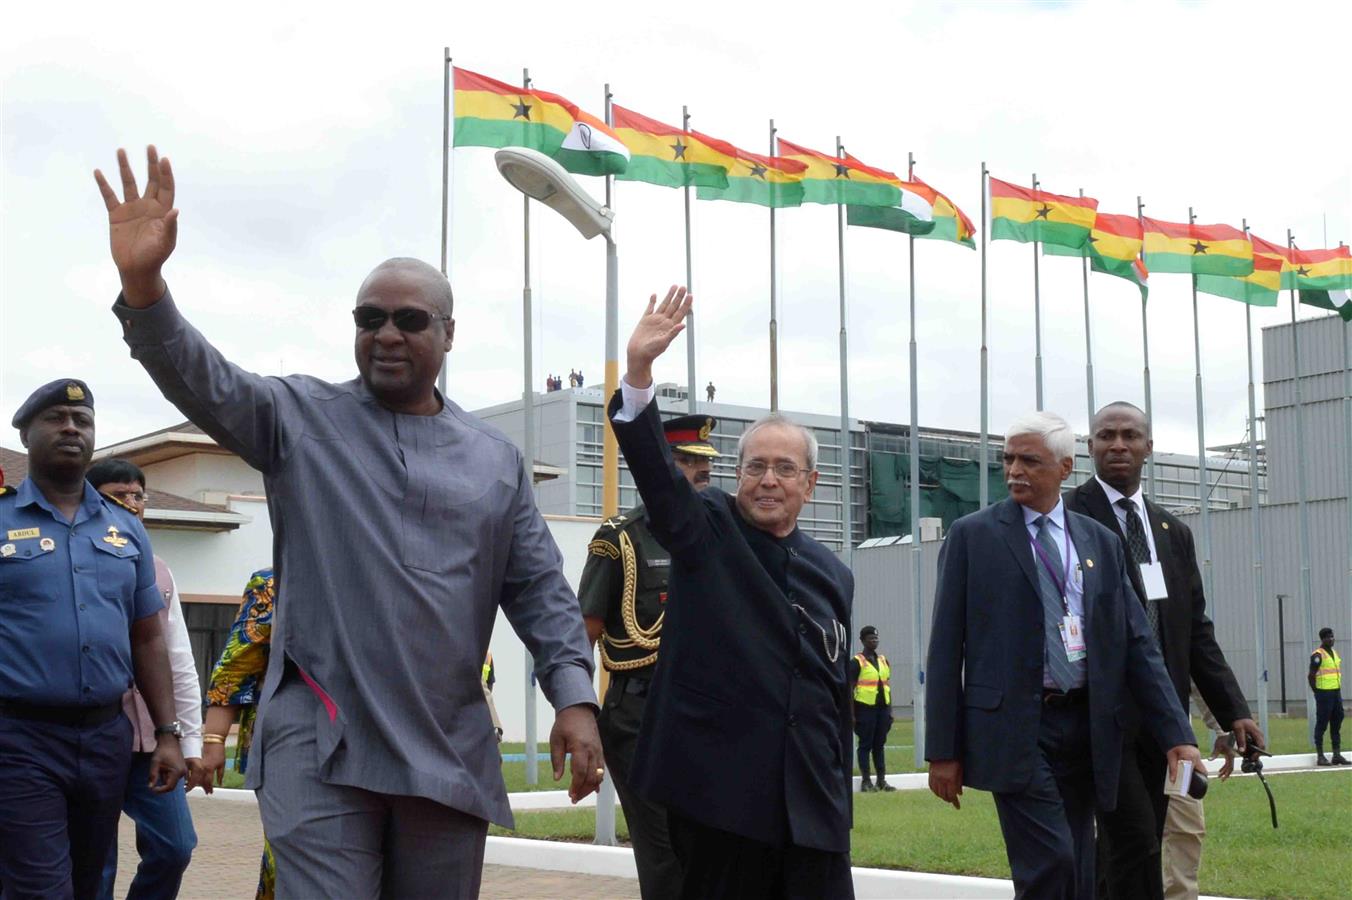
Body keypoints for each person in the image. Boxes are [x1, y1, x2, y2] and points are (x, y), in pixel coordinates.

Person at [95, 145, 602, 898]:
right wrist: (145, 286)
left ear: (449, 334)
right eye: (370, 319)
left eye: (409, 319)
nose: (387, 334)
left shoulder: (495, 461)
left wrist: (574, 697)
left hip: (445, 742)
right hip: (320, 736)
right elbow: (205, 380)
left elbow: (539, 592)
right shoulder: (297, 419)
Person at [609, 287, 855, 900]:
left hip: (812, 801)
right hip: (722, 798)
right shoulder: (708, 527)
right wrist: (638, 374)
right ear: (735, 474)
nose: (768, 480)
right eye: (754, 466)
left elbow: (833, 687)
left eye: (784, 468)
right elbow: (661, 483)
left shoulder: (834, 572)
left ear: (811, 483)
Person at [925, 410, 1200, 900]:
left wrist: (1177, 734)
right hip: (1017, 728)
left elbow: (1138, 643)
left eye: (1030, 461)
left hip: (1087, 728)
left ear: (1064, 467)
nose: (1015, 471)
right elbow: (946, 645)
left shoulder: (1100, 542)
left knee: (1077, 861)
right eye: (1008, 459)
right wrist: (942, 750)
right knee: (1051, 860)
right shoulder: (974, 536)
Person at [1065, 401, 1261, 900]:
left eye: (1130, 435)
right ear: (1088, 447)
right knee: (1130, 842)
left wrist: (1232, 711)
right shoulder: (1065, 521)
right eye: (1105, 435)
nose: (1118, 445)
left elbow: (1194, 631)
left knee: (1137, 840)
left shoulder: (1173, 532)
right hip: (1094, 712)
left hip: (1160, 717)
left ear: (1149, 447)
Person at [0, 379, 186, 900]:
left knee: (88, 884)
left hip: (106, 739)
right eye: (56, 418)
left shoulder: (125, 529)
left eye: (81, 421)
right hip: (20, 739)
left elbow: (149, 638)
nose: (70, 428)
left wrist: (168, 734)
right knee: (39, 888)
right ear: (25, 433)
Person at [577, 412, 721, 900]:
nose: (701, 471)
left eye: (704, 462)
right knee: (664, 859)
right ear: (657, 466)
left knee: (711, 849)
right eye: (686, 460)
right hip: (640, 715)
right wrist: (581, 717)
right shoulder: (620, 539)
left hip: (708, 715)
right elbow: (585, 634)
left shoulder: (723, 534)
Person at [86, 458, 204, 900]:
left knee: (175, 847)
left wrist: (188, 741)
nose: (133, 504)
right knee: (95, 861)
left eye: (139, 495)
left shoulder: (158, 569)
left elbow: (178, 660)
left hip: (155, 740)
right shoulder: (71, 560)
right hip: (94, 734)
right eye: (120, 495)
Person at [200, 568, 277, 899]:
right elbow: (236, 664)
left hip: (379, 741)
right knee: (284, 857)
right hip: (289, 745)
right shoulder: (272, 583)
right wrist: (214, 740)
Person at [1160, 684, 1235, 900]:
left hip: (1177, 747)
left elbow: (1199, 677)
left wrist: (1223, 730)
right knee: (1124, 835)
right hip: (1122, 745)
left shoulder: (1177, 648)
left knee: (1187, 829)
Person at [849, 626, 895, 792]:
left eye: (876, 638)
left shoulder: (883, 660)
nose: (874, 641)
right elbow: (849, 689)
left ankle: (881, 780)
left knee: (879, 745)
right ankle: (866, 781)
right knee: (865, 745)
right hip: (864, 709)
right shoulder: (856, 662)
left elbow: (887, 686)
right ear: (862, 641)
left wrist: (890, 711)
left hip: (882, 709)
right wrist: (852, 714)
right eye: (870, 639)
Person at [1310, 627, 1346, 765]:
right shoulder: (1318, 655)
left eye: (1332, 636)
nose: (1331, 639)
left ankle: (1336, 754)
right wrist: (1317, 691)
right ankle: (1320, 756)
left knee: (1337, 721)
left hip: (1336, 692)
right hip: (1324, 693)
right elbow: (1311, 675)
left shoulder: (1334, 653)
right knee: (1322, 723)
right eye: (1327, 637)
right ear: (1322, 639)